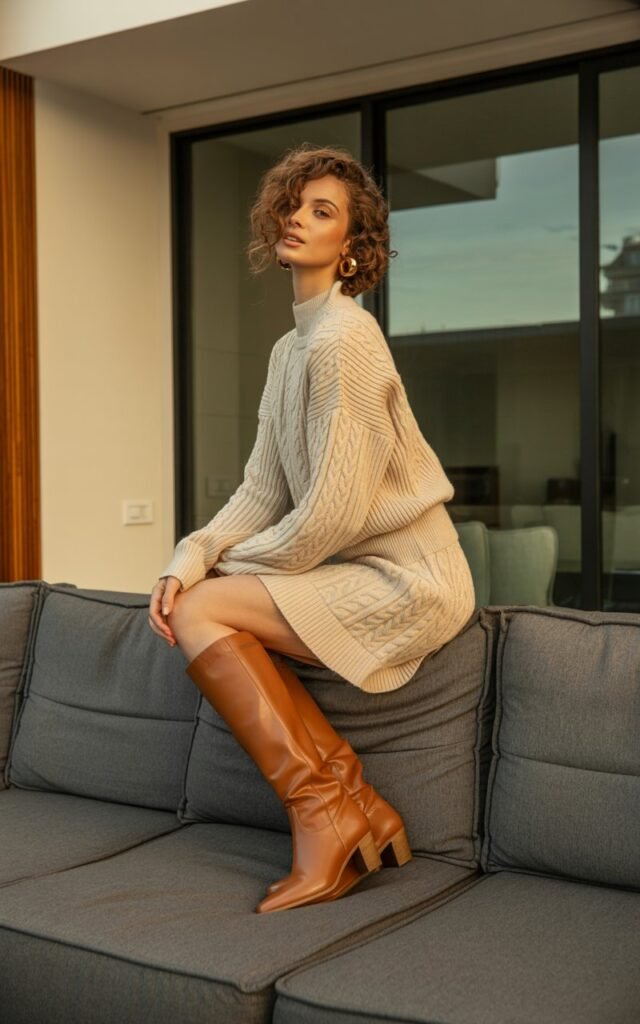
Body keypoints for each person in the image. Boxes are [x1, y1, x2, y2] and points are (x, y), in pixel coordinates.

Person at [148, 143, 476, 914]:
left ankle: (327, 812)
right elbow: (262, 489)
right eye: (294, 204)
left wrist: (221, 577)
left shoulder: (346, 341)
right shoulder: (290, 348)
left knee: (204, 609)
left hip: (411, 580)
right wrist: (189, 557)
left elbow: (331, 516)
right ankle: (354, 806)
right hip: (350, 569)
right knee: (196, 597)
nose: (299, 218)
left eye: (323, 211)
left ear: (354, 247)